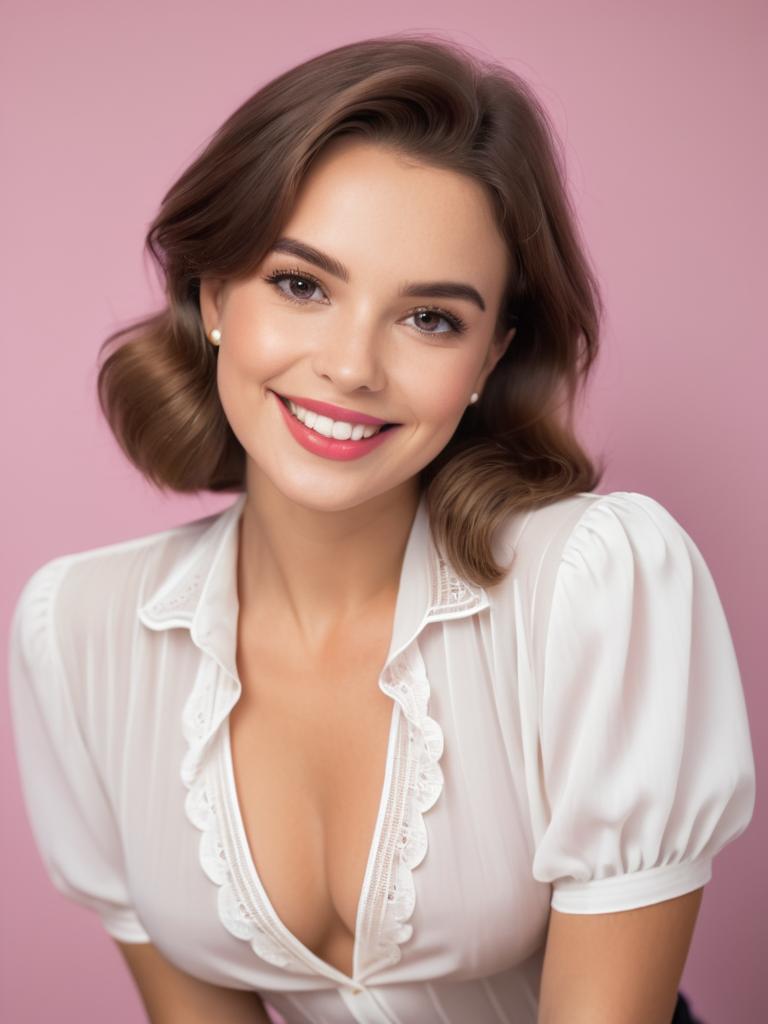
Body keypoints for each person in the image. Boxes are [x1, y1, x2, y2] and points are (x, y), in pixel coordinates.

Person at [8, 31, 755, 1024]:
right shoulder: (80, 633)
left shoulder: (598, 583)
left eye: (431, 318)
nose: (353, 367)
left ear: (492, 353)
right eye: (303, 284)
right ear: (214, 292)